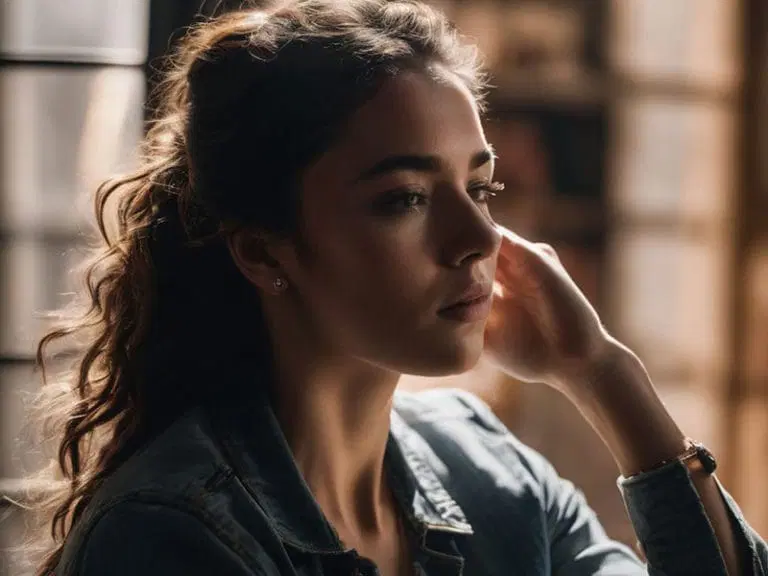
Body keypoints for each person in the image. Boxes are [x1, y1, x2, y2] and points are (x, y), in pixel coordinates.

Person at [31, 1, 766, 574]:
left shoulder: (485, 468)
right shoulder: (173, 531)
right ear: (262, 250)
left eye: (480, 186)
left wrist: (604, 372)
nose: (476, 238)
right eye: (404, 198)